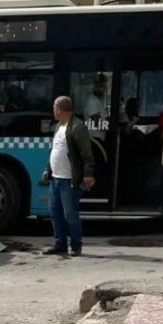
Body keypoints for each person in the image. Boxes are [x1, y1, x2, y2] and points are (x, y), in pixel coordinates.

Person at [40, 96, 95, 256]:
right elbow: (54, 150)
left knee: (70, 214)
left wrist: (88, 174)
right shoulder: (59, 126)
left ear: (59, 109)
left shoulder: (77, 127)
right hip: (55, 179)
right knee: (55, 212)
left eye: (54, 108)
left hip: (68, 180)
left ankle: (76, 246)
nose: (53, 111)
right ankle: (60, 244)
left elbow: (87, 154)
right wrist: (48, 169)